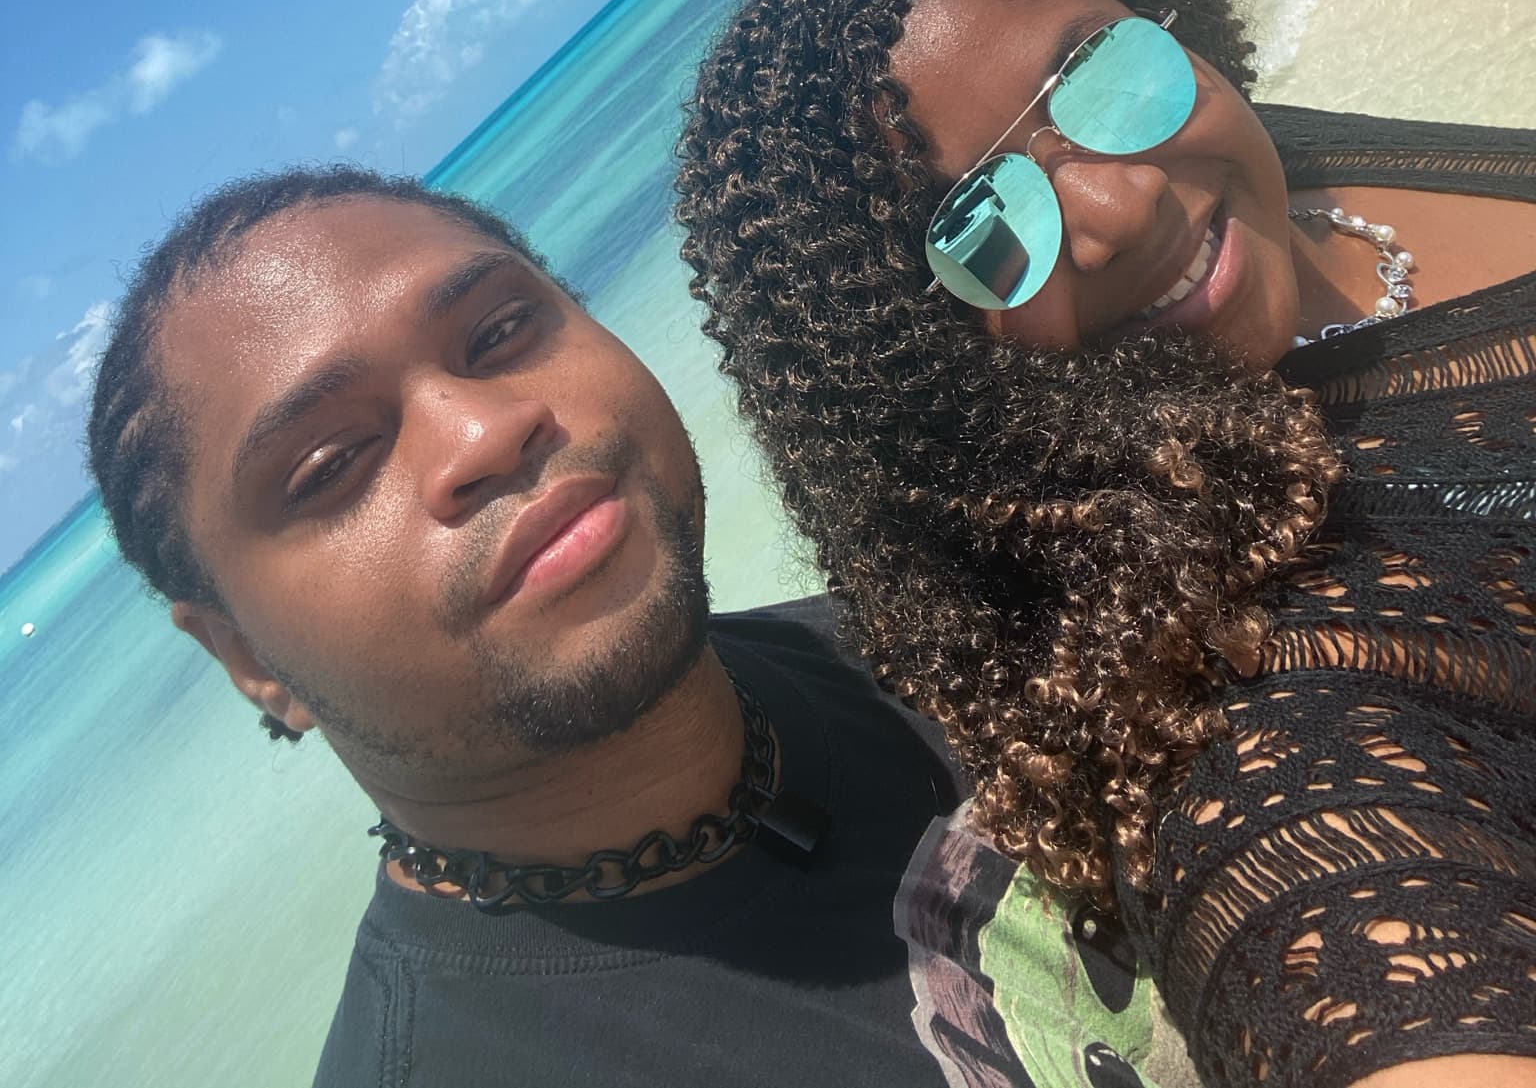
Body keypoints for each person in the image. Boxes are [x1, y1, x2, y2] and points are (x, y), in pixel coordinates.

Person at [676, 0, 1536, 1088]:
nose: (1121, 204)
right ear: (915, 358)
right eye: (978, 227)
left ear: (1157, 19)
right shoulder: (1243, 664)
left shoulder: (1265, 158)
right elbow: (1317, 872)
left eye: (1094, 74)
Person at [85, 164, 1184, 1088]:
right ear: (248, 657)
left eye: (500, 330)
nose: (485, 433)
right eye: (330, 464)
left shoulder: (956, 627)